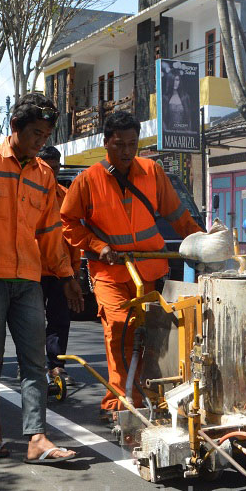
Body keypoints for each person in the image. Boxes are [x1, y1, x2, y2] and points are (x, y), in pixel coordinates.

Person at [0, 93, 84, 463]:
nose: (41, 141)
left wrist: (65, 274)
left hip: (28, 280)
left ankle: (37, 439)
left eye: (46, 135)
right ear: (15, 128)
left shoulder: (43, 175)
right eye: (36, 133)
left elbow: (50, 233)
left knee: (35, 362)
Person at [61, 110, 202, 423]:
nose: (126, 151)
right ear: (106, 143)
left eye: (132, 144)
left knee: (154, 337)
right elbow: (68, 223)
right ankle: (121, 401)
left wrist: (202, 243)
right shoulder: (88, 179)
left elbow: (178, 217)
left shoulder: (152, 172)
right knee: (119, 329)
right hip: (109, 272)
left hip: (150, 269)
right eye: (119, 144)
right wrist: (99, 247)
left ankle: (149, 394)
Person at [37, 144, 82, 387]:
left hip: (61, 273)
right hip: (32, 271)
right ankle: (32, 367)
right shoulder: (27, 194)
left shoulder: (65, 196)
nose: (52, 173)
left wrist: (74, 270)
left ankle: (56, 366)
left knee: (60, 320)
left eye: (56, 168)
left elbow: (73, 237)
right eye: (47, 168)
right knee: (32, 322)